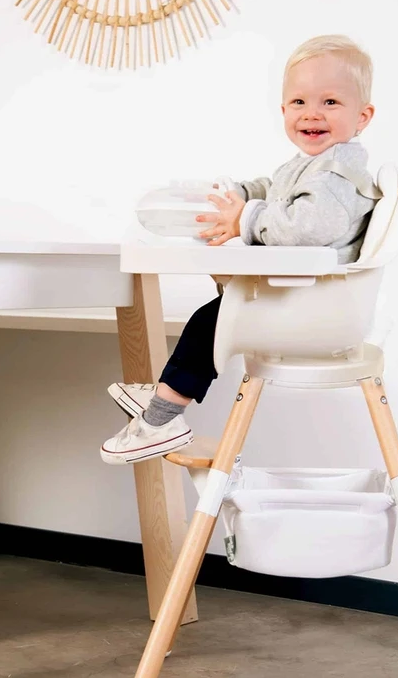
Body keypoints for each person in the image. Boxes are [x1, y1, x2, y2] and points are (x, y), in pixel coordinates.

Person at [101, 34, 378, 465]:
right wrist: (241, 194)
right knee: (214, 316)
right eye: (299, 102)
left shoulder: (338, 173)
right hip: (303, 298)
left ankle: (162, 417)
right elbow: (275, 188)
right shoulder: (312, 165)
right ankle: (167, 391)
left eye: (330, 102)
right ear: (283, 110)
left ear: (362, 116)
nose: (312, 113)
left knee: (210, 323)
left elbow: (308, 228)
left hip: (312, 308)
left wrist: (246, 217)